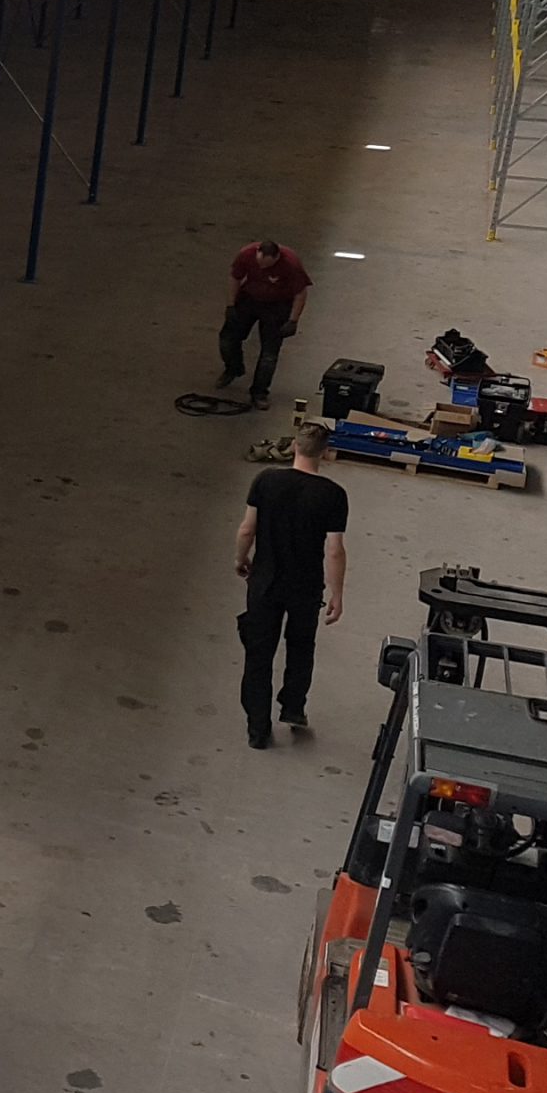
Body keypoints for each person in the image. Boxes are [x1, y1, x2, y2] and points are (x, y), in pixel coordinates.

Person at [235, 421, 348, 749]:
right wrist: (337, 593)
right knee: (301, 646)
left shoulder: (266, 480)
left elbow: (247, 529)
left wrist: (240, 558)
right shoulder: (333, 494)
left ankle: (258, 729)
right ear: (325, 453)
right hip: (305, 586)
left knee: (259, 654)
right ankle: (293, 706)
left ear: (295, 447)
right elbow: (335, 550)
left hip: (266, 582)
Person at [218, 237, 311, 409]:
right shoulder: (246, 254)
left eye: (267, 266)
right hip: (249, 299)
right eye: (259, 263)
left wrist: (293, 320)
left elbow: (300, 293)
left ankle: (259, 392)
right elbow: (235, 277)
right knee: (227, 339)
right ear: (257, 252)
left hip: (277, 306)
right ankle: (233, 368)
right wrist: (231, 305)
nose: (262, 268)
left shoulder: (291, 263)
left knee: (269, 354)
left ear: (277, 257)